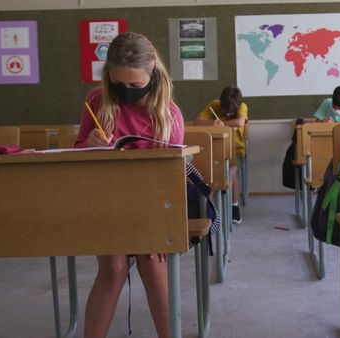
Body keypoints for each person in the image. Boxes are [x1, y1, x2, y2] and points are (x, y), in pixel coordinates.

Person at [75, 31, 184, 338]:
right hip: (105, 202)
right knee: (113, 270)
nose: (126, 91)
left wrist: (160, 226)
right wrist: (89, 143)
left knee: (154, 268)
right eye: (118, 83)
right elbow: (78, 150)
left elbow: (171, 177)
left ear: (152, 74)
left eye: (134, 85)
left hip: (151, 205)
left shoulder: (169, 114)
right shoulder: (96, 100)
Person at [194, 85, 248, 224]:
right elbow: (197, 123)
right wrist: (213, 122)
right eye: (225, 111)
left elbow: (240, 121)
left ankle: (234, 207)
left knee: (231, 171)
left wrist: (222, 123)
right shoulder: (214, 104)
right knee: (207, 171)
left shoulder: (242, 106)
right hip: (215, 148)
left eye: (232, 113)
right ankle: (209, 208)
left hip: (236, 149)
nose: (229, 114)